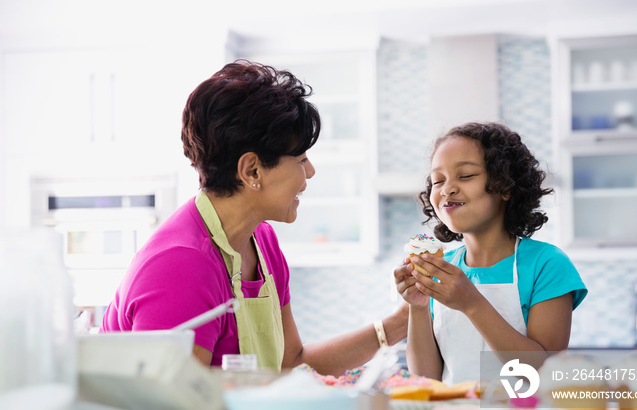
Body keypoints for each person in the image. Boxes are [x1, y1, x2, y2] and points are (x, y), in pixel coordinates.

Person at [100, 60, 407, 376]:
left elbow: (290, 362)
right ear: (252, 171)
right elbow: (172, 409)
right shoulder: (181, 266)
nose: (310, 172)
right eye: (301, 159)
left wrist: (399, 324)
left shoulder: (261, 240)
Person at [394, 122, 587, 385]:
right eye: (438, 180)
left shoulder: (546, 264)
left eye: (465, 176)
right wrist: (417, 308)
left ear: (505, 187)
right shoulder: (441, 268)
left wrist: (472, 303)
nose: (447, 189)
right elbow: (426, 380)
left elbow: (544, 374)